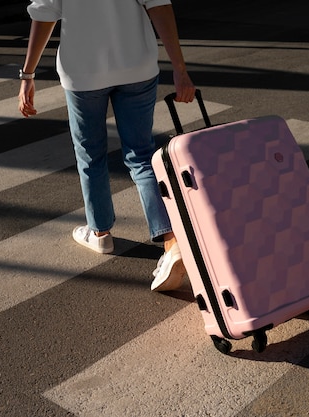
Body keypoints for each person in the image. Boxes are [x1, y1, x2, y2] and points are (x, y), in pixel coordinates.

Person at [18, 0, 195, 291]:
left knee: (90, 155)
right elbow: (160, 5)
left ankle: (99, 232)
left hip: (83, 73)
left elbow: (44, 13)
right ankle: (171, 242)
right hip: (137, 67)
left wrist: (28, 75)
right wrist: (180, 69)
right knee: (141, 155)